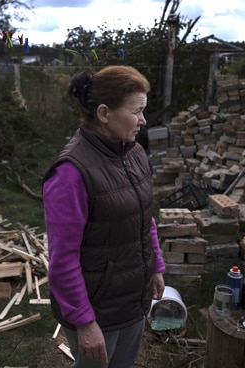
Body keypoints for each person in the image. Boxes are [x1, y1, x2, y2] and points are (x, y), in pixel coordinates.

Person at [42, 66, 166, 368]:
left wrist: (156, 265)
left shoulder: (134, 153)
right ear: (104, 113)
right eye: (136, 111)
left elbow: (142, 216)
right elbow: (63, 259)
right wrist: (84, 321)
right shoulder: (70, 173)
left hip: (131, 296)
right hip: (96, 307)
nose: (143, 120)